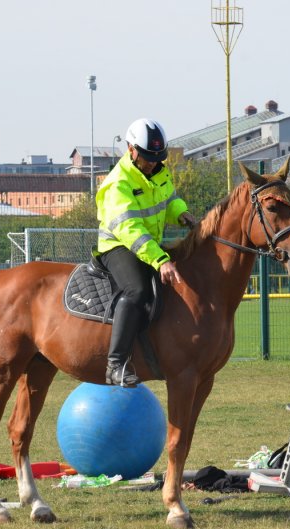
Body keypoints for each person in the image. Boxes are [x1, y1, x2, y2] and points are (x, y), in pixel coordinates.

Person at [95, 118, 194, 387]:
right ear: (131, 149)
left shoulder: (159, 172)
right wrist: (160, 260)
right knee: (136, 291)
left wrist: (181, 212)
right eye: (148, 157)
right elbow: (129, 228)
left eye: (158, 157)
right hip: (118, 245)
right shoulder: (118, 182)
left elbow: (169, 199)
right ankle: (116, 365)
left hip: (148, 244)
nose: (153, 163)